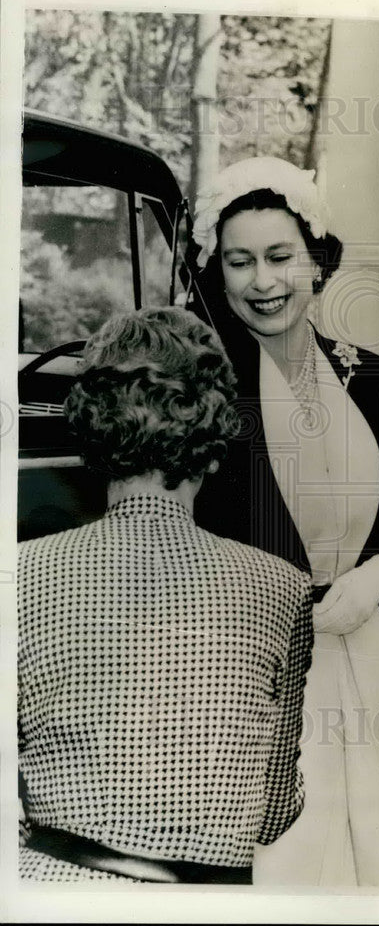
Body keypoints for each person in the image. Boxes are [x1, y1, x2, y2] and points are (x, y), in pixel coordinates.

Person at [189, 157, 379, 886]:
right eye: (240, 262)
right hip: (249, 674)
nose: (262, 282)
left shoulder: (376, 381)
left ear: (318, 260)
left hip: (373, 659)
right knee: (286, 862)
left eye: (279, 257)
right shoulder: (203, 392)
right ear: (218, 272)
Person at [18, 307, 313, 884]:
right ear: (214, 433)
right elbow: (274, 813)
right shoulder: (283, 589)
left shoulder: (22, 573)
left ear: (87, 426)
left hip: (52, 892)